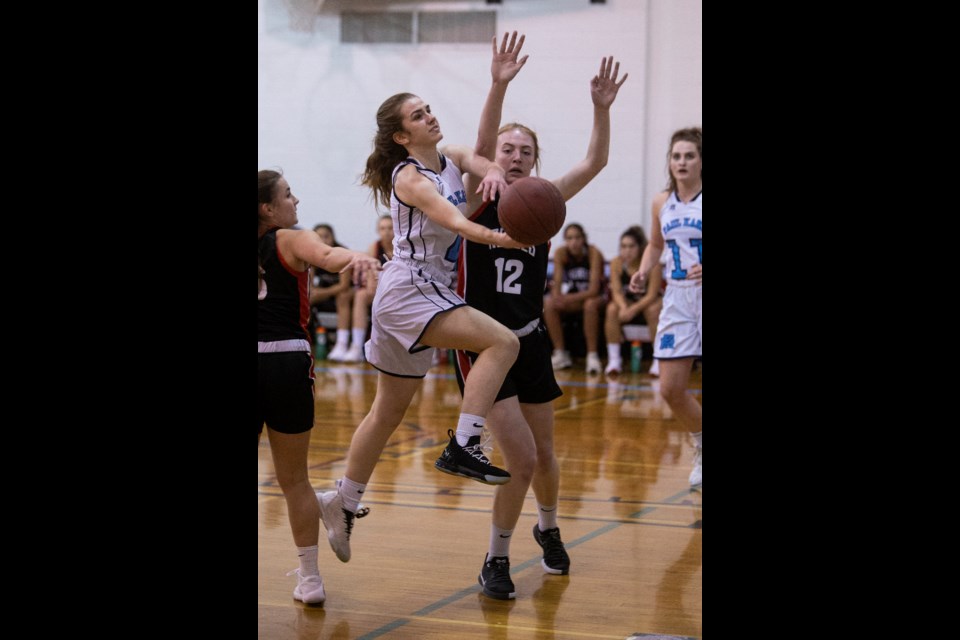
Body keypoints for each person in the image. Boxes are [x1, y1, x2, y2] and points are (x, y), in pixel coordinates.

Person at [316, 90, 527, 565]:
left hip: (411, 295)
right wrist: (504, 238)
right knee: (502, 342)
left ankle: (341, 502)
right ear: (400, 135)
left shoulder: (448, 158)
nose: (430, 117)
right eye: (417, 115)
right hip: (411, 289)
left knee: (387, 413)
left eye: (428, 108)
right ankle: (465, 443)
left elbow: (476, 155)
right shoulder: (409, 178)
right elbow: (455, 220)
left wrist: (492, 168)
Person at [455, 32, 628, 599]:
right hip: (484, 342)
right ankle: (496, 558)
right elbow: (481, 143)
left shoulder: (546, 199)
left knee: (546, 454)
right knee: (522, 459)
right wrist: (498, 85)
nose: (516, 156)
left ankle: (548, 526)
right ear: (494, 157)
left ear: (536, 161)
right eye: (508, 149)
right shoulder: (478, 192)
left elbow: (597, 160)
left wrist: (600, 110)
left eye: (526, 150)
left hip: (528, 337)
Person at [258, 170, 381, 604]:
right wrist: (358, 258)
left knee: (294, 481)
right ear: (268, 209)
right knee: (294, 481)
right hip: (287, 361)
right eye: (288, 194)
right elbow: (328, 256)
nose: (297, 199)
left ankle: (310, 575)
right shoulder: (289, 238)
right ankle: (309, 579)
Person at [629, 127, 702, 489]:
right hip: (677, 296)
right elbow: (655, 245)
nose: (682, 162)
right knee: (671, 389)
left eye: (689, 155)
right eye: (676, 156)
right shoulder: (662, 201)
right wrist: (643, 271)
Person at [543, 223, 606, 374]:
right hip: (575, 299)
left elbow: (594, 290)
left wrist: (566, 299)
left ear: (584, 239)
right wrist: (559, 298)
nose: (574, 242)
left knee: (590, 305)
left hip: (597, 299)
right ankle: (560, 353)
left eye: (577, 237)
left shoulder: (593, 253)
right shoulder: (561, 253)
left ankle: (592, 355)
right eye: (570, 238)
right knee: (549, 303)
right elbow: (556, 286)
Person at [604, 225, 663, 375]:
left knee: (653, 310)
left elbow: (652, 294)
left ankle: (657, 360)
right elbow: (616, 291)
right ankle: (614, 360)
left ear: (640, 247)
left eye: (631, 246)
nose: (627, 251)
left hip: (650, 302)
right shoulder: (616, 263)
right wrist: (624, 307)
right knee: (612, 309)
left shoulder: (652, 264)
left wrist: (632, 310)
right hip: (629, 302)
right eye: (623, 246)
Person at [337, 215, 395, 363]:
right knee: (361, 295)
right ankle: (356, 346)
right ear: (378, 231)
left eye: (390, 228)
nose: (387, 232)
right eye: (383, 228)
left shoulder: (403, 247)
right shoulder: (374, 248)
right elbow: (370, 279)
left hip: (399, 289)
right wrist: (373, 287)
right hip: (379, 288)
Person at [309, 224, 355, 361]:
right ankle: (304, 338)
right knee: (305, 298)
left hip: (346, 291)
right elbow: (310, 285)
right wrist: (313, 293)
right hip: (326, 292)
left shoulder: (342, 253)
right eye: (319, 237)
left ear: (333, 238)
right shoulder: (312, 255)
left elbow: (344, 285)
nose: (323, 240)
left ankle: (342, 343)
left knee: (343, 296)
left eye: (326, 236)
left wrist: (322, 292)